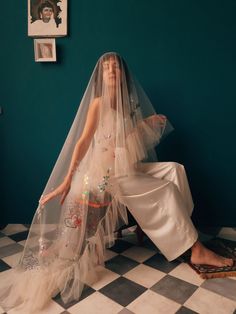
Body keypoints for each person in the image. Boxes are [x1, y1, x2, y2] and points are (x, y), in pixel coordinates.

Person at [0, 52, 233, 313]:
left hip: (124, 167)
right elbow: (83, 141)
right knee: (165, 191)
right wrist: (67, 180)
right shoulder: (98, 103)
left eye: (116, 67)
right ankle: (196, 249)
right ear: (100, 75)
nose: (111, 70)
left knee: (174, 170)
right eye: (106, 67)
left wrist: (146, 124)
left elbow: (124, 143)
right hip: (106, 177)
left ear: (123, 73)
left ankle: (183, 230)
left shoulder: (126, 104)